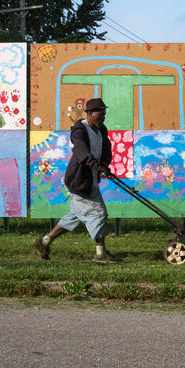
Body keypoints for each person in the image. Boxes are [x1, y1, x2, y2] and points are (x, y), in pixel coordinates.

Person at [34, 97, 118, 262]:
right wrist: (95, 165)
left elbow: (106, 149)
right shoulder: (79, 130)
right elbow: (81, 153)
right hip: (80, 180)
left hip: (91, 179)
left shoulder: (102, 130)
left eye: (104, 113)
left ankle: (44, 241)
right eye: (100, 113)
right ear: (90, 113)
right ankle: (100, 253)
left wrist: (104, 165)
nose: (103, 117)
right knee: (98, 213)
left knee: (77, 215)